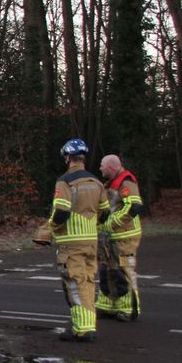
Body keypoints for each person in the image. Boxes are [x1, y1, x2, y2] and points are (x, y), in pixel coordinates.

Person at [34, 139, 109, 342]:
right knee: (89, 283)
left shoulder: (65, 181)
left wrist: (49, 230)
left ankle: (83, 329)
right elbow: (105, 213)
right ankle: (84, 326)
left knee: (75, 285)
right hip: (91, 243)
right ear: (83, 158)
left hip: (71, 243)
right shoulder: (96, 182)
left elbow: (61, 212)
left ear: (68, 158)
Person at [94, 154, 145, 321]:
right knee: (107, 270)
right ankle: (108, 305)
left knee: (123, 271)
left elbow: (134, 206)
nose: (100, 168)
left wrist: (112, 223)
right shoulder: (110, 183)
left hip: (124, 236)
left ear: (111, 167)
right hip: (110, 236)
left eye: (103, 166)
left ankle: (129, 309)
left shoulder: (126, 182)